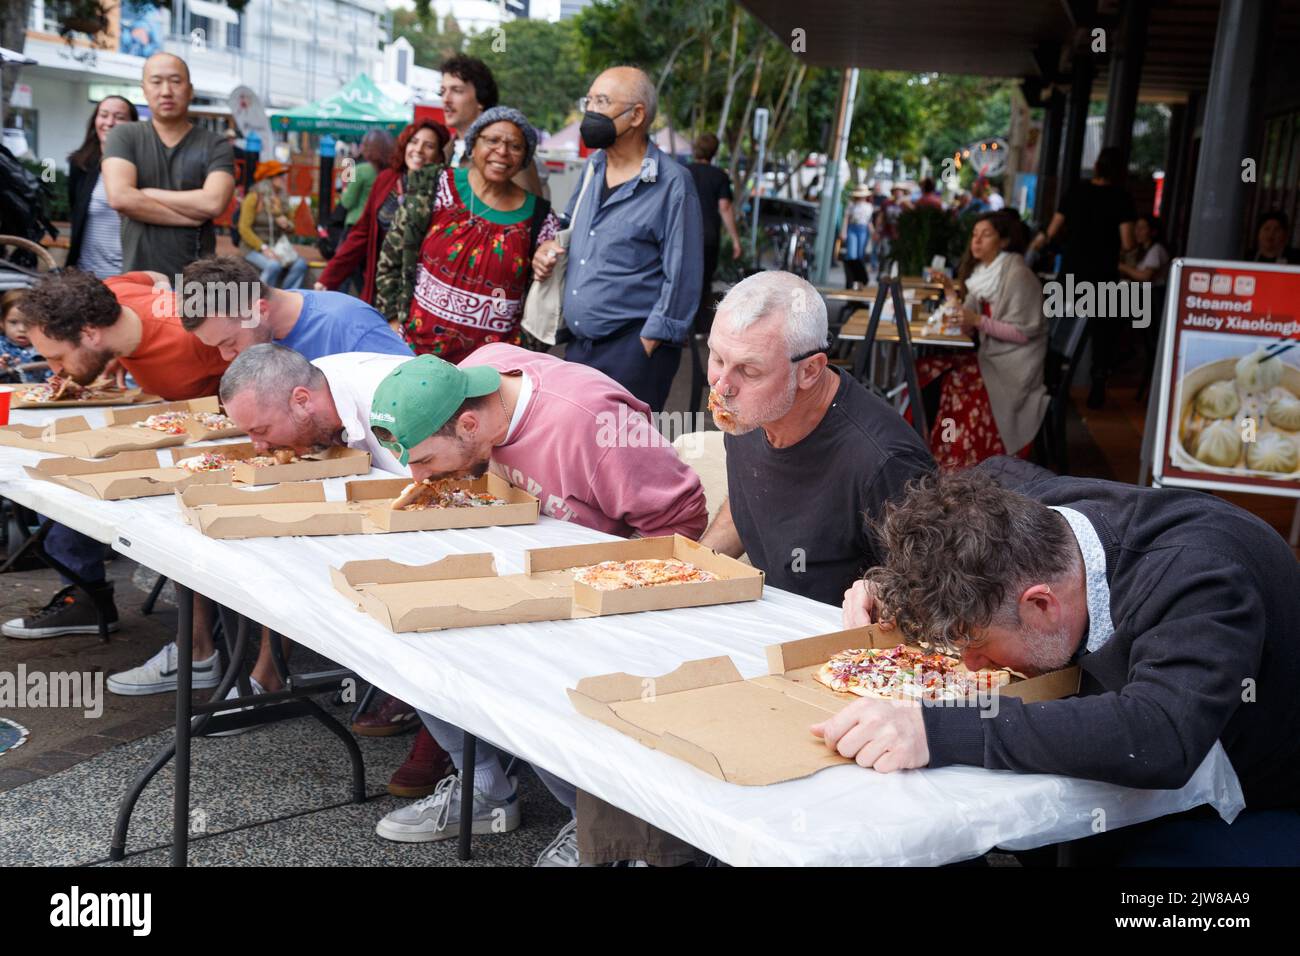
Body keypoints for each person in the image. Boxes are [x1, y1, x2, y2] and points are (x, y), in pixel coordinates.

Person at [835, 459, 1300, 865]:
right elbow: (987, 475)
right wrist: (906, 591)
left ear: (1041, 606)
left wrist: (936, 730)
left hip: (1250, 795)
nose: (971, 666)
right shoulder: (1018, 507)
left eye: (976, 644)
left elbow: (1159, 734)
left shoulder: (1203, 579)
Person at [365, 345, 708, 863]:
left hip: (606, 600)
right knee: (401, 626)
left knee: (527, 672)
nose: (419, 479)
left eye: (427, 461)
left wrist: (613, 593)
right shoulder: (476, 372)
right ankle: (484, 788)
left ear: (469, 425)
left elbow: (684, 520)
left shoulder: (591, 421)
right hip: (528, 581)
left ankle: (603, 829)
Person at [2, 270, 228, 644]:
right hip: (161, 418)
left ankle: (202, 644)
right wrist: (120, 354)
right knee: (55, 464)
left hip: (209, 447)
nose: (55, 372)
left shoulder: (193, 339)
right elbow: (154, 277)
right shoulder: (109, 294)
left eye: (57, 358)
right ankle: (86, 595)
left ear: (90, 334)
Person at [532, 66, 703, 412]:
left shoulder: (672, 184)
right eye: (589, 100)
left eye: (603, 101)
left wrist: (648, 343)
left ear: (637, 115)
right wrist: (547, 248)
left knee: (619, 452)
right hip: (579, 346)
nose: (590, 111)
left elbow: (683, 274)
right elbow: (569, 223)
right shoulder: (594, 167)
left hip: (632, 353)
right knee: (575, 448)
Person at [373, 106, 557, 360]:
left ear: (525, 157)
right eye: (492, 140)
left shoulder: (540, 218)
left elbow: (547, 301)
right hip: (412, 352)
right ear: (473, 144)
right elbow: (391, 257)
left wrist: (520, 355)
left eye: (515, 146)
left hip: (489, 370)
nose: (502, 152)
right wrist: (393, 323)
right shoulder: (436, 186)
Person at [918, 211, 1049, 471]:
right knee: (924, 369)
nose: (976, 241)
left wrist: (978, 321)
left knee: (954, 383)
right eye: (974, 235)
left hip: (1015, 367)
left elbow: (1022, 333)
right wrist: (949, 292)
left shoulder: (1018, 275)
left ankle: (958, 467)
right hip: (989, 358)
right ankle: (926, 455)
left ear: (1003, 241)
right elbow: (966, 323)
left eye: (985, 235)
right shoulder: (983, 274)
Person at [101, 53, 235, 278]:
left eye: (175, 81)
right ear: (144, 89)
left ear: (190, 90)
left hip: (198, 284)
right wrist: (189, 218)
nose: (166, 91)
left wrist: (146, 194)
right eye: (156, 82)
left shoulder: (215, 144)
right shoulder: (124, 136)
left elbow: (213, 202)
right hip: (139, 279)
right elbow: (120, 197)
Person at [1030, 146, 1136, 409]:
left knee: (1060, 329)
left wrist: (1034, 248)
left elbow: (1052, 230)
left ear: (1098, 166)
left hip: (1072, 271)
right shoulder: (1122, 198)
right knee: (1102, 334)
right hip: (1103, 275)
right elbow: (1127, 242)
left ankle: (1053, 385)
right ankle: (1097, 385)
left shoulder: (1076, 191)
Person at [314, 120, 449, 305]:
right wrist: (329, 276)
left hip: (420, 293)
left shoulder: (356, 168)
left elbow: (347, 200)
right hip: (379, 274)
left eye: (429, 146)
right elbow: (362, 231)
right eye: (414, 142)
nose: (418, 150)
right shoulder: (386, 177)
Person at [179, 255, 410, 360]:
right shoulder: (259, 335)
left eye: (228, 343)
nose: (227, 357)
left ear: (260, 309)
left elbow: (420, 396)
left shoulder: (348, 326)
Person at [438, 55, 547, 198]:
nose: (446, 99)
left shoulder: (507, 153)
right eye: (442, 91)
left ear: (481, 99)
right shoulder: (444, 151)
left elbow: (526, 214)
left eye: (457, 90)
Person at [66, 95, 139, 279]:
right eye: (104, 115)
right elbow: (75, 212)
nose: (110, 122)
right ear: (95, 121)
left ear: (133, 125)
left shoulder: (144, 166)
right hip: (86, 276)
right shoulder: (80, 164)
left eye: (120, 117)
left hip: (129, 276)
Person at [685, 133, 741, 334]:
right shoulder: (719, 176)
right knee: (704, 282)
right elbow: (725, 207)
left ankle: (681, 328)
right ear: (715, 152)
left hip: (682, 236)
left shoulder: (682, 172)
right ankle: (700, 328)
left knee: (681, 279)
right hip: (708, 237)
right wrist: (735, 240)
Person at [236, 161, 308, 290]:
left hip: (277, 247)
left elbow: (292, 229)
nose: (282, 178)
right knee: (273, 265)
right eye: (278, 175)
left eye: (282, 175)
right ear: (267, 178)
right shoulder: (254, 197)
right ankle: (262, 297)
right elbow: (244, 228)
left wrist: (286, 224)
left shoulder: (282, 199)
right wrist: (263, 248)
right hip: (253, 248)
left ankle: (288, 295)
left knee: (301, 264)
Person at [0, 292, 49, 383]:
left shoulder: (47, 347)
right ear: (2, 322)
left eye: (29, 323)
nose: (22, 329)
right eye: (14, 322)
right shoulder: (1, 347)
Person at [840, 185, 873, 288]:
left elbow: (869, 222)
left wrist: (873, 233)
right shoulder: (851, 205)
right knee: (851, 255)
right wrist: (843, 231)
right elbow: (846, 218)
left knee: (860, 257)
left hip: (863, 230)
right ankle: (850, 282)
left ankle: (859, 282)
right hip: (852, 228)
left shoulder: (869, 206)